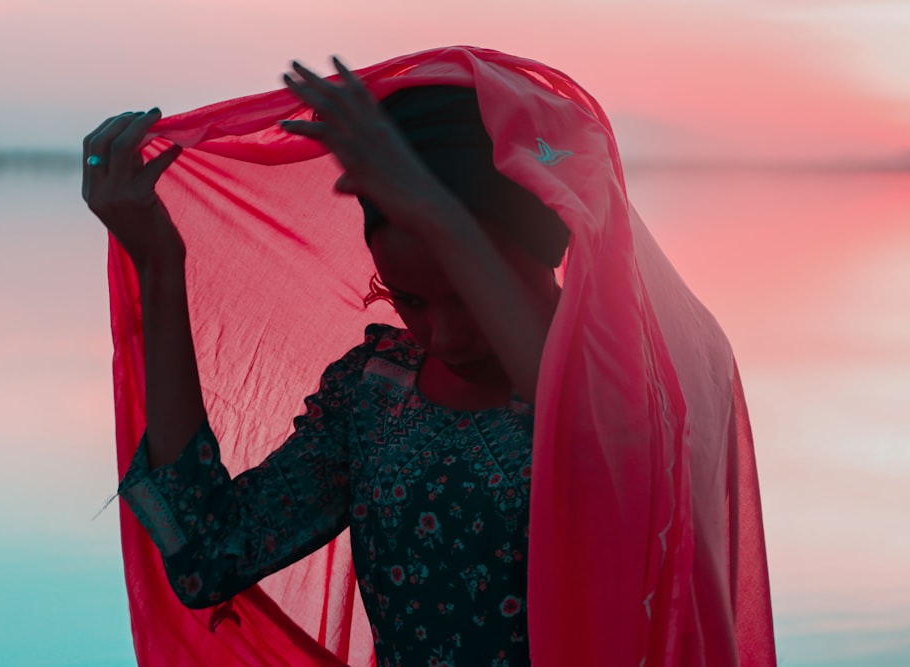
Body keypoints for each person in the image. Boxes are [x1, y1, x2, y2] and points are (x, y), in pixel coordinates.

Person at [83, 46, 776, 666]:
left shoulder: (635, 396)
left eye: (468, 289)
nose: (444, 334)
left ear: (546, 246)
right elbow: (208, 554)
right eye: (410, 298)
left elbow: (593, 441)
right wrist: (160, 265)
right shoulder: (374, 396)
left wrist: (427, 201)